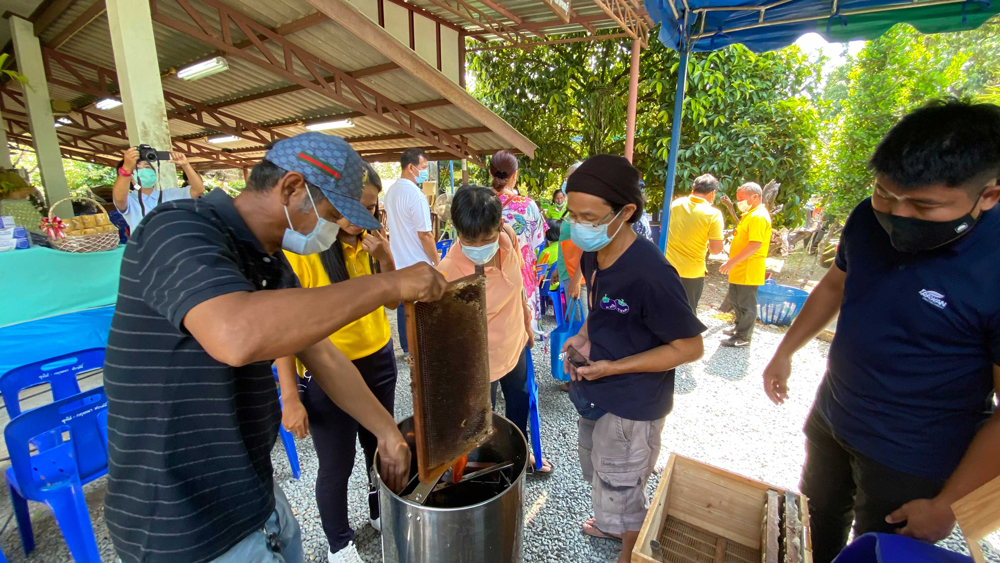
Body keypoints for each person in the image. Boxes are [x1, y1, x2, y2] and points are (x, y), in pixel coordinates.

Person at [103, 133, 447, 563]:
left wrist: (386, 431)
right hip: (182, 523)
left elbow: (320, 354)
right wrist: (389, 283)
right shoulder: (177, 229)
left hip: (254, 498)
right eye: (331, 212)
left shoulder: (271, 262)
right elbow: (235, 335)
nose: (334, 227)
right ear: (291, 188)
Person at [762, 100, 1000, 563]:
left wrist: (948, 505)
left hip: (912, 455)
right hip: (834, 415)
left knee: (875, 550)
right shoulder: (867, 220)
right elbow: (835, 284)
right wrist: (785, 351)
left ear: (988, 196)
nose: (897, 214)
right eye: (885, 194)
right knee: (814, 519)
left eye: (924, 205)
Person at [561, 155, 705, 563]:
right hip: (599, 391)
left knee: (624, 484)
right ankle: (611, 525)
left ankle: (630, 552)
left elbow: (690, 348)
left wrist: (614, 367)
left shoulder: (651, 275)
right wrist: (584, 336)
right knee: (597, 468)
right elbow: (600, 310)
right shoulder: (595, 253)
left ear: (625, 212)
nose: (578, 226)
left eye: (588, 217)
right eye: (572, 214)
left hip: (634, 403)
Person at [274, 162, 398, 562]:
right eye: (351, 208)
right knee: (336, 464)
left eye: (370, 208)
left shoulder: (369, 241)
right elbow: (284, 333)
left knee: (379, 448)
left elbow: (393, 301)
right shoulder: (304, 253)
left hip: (378, 359)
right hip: (328, 376)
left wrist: (386, 260)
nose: (360, 218)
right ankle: (339, 544)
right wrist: (290, 397)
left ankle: (380, 512)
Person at [437, 186, 553, 474]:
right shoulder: (448, 269)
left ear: (500, 226)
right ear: (457, 231)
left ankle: (521, 453)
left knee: (520, 406)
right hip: (478, 362)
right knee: (479, 422)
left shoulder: (508, 239)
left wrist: (527, 328)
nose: (478, 247)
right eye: (468, 239)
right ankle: (483, 468)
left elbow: (519, 293)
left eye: (486, 238)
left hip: (515, 346)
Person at [384, 147, 438, 355]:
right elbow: (425, 234)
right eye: (423, 167)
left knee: (403, 305)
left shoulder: (391, 191)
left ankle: (407, 348)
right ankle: (422, 345)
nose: (424, 172)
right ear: (411, 167)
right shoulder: (416, 195)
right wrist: (436, 261)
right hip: (418, 261)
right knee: (423, 305)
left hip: (399, 259)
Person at [488, 150, 547, 332]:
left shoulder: (477, 202)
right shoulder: (528, 206)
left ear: (490, 172)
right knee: (522, 332)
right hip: (521, 279)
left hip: (488, 279)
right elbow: (539, 240)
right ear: (515, 175)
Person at [718, 182, 771, 347]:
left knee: (746, 304)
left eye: (741, 199)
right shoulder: (750, 214)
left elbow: (755, 244)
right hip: (740, 268)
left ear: (754, 197)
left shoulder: (759, 216)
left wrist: (731, 261)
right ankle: (738, 328)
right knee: (736, 301)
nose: (739, 202)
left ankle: (743, 337)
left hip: (748, 267)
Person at [665, 174, 725, 312]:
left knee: (665, 309)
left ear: (693, 189)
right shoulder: (713, 214)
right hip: (692, 272)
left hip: (667, 267)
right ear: (712, 193)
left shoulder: (675, 204)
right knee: (687, 312)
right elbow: (716, 249)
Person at [112, 148, 205, 231]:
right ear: (130, 177)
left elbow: (198, 189)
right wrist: (127, 168)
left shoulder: (170, 194)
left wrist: (185, 165)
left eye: (147, 167)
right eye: (137, 168)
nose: (144, 170)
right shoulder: (131, 200)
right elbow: (119, 198)